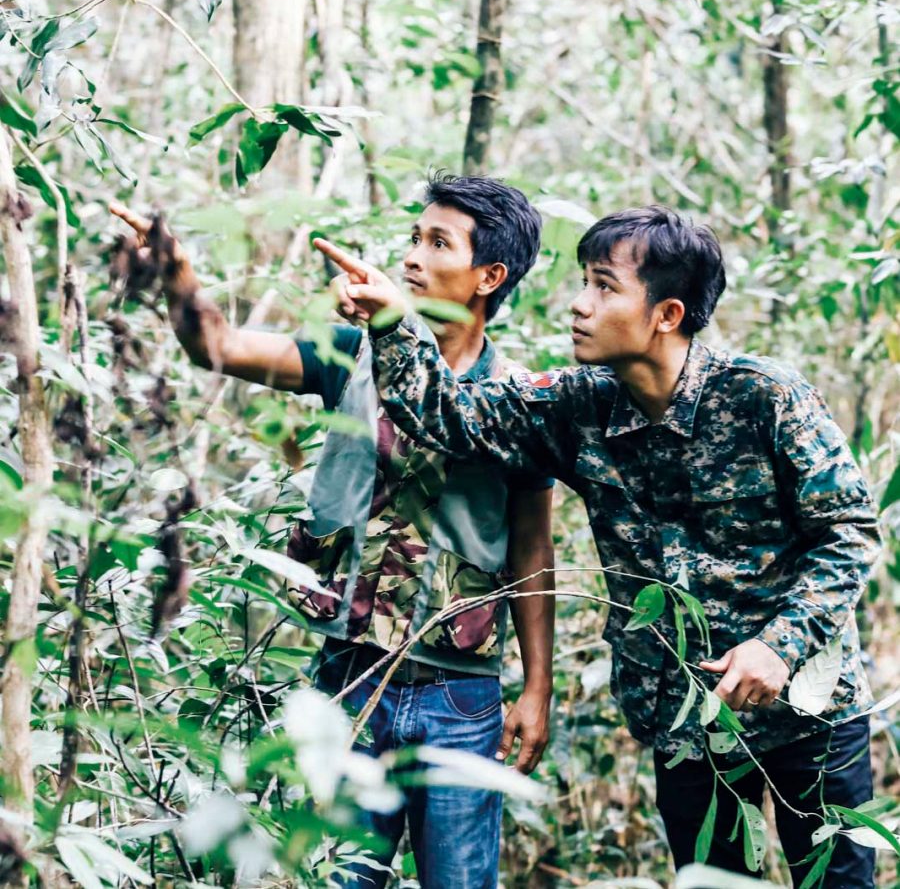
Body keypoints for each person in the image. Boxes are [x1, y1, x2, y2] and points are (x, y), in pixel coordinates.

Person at [314, 205, 882, 887]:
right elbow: (449, 417)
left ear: (666, 314)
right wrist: (389, 322)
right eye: (584, 281)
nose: (579, 306)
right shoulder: (574, 405)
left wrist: (779, 645)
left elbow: (848, 533)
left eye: (604, 286)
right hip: (687, 727)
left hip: (809, 720)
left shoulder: (767, 399)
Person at [109, 173, 556, 889]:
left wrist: (538, 688)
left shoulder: (521, 400)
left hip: (461, 696)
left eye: (437, 243)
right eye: (414, 237)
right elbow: (216, 344)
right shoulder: (350, 353)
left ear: (488, 276)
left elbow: (535, 549)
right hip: (349, 680)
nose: (412, 256)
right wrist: (178, 272)